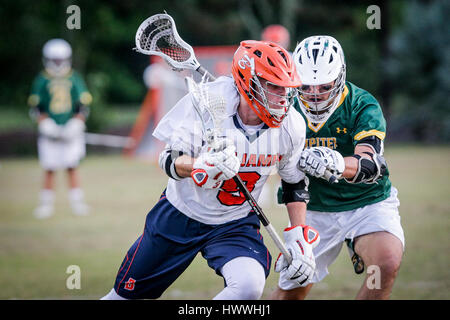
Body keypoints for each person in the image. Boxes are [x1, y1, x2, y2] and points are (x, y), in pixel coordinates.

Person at [101, 40, 320, 300]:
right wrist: (199, 165)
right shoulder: (208, 101)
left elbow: (294, 182)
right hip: (182, 213)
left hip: (234, 222)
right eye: (274, 87)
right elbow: (170, 160)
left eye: (287, 89)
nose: (283, 98)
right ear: (249, 82)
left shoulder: (291, 125)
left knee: (249, 286)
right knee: (125, 297)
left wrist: (298, 237)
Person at [271, 35, 405, 300]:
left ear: (340, 75)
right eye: (307, 86)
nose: (315, 94)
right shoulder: (283, 108)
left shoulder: (361, 104)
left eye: (324, 86)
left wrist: (336, 164)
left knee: (386, 264)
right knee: (292, 291)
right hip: (313, 208)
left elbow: (371, 164)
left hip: (367, 203)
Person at [28, 38, 92, 219]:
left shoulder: (74, 78)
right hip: (50, 134)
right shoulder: (42, 79)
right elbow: (36, 107)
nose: (57, 64)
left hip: (70, 132)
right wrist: (45, 124)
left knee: (72, 166)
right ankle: (46, 204)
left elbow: (82, 105)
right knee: (50, 168)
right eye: (54, 60)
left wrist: (76, 123)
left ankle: (77, 203)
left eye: (59, 60)